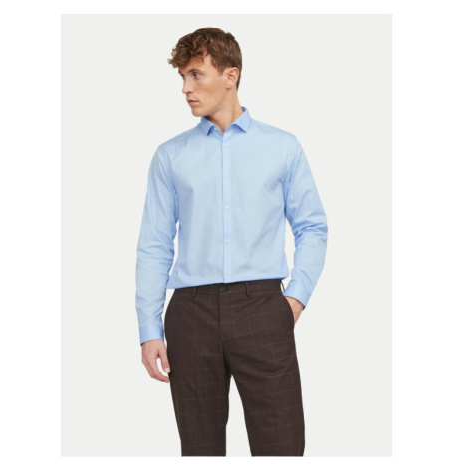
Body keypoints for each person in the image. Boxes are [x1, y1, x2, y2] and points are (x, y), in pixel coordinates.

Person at [135, 27, 328, 456]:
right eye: (182, 77)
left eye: (195, 75)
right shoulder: (170, 156)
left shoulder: (282, 147)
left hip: (263, 308)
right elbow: (155, 244)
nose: (185, 89)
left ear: (230, 76)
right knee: (200, 450)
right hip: (190, 314)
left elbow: (312, 227)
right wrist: (149, 329)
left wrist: (294, 299)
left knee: (281, 447)